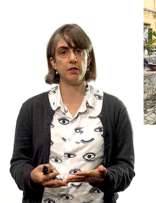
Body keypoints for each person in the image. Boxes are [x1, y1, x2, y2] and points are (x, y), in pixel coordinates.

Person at [10, 24, 135, 203]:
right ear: (52, 62)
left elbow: (126, 168)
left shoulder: (114, 108)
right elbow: (18, 163)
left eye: (79, 51)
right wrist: (32, 176)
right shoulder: (31, 109)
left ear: (89, 58)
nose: (72, 58)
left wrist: (106, 177)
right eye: (63, 52)